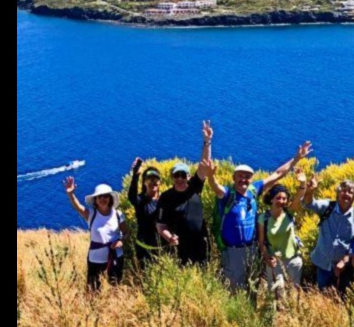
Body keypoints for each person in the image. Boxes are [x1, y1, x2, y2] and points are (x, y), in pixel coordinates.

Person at [207, 140, 313, 291]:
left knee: (253, 284)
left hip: (252, 249)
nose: (244, 179)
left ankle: (251, 311)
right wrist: (211, 176)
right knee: (234, 287)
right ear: (233, 177)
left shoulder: (253, 190)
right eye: (240, 176)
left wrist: (297, 158)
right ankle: (235, 313)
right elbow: (215, 186)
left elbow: (278, 174)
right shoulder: (227, 194)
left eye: (248, 176)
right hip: (233, 251)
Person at [294, 176, 354, 294]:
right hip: (323, 264)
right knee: (322, 294)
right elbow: (308, 204)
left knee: (341, 297)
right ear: (338, 194)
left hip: (344, 268)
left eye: (350, 192)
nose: (346, 194)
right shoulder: (328, 206)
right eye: (343, 190)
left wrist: (345, 259)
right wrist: (310, 191)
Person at [156, 122, 214, 266]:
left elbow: (204, 164)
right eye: (177, 175)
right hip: (180, 247)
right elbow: (161, 225)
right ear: (172, 177)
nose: (180, 179)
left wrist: (207, 142)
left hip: (201, 243)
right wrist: (170, 238)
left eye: (183, 175)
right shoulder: (166, 197)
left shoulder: (195, 187)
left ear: (188, 176)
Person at [63, 177, 127, 291]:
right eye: (100, 196)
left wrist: (120, 241)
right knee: (93, 289)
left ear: (110, 198)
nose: (103, 199)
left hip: (116, 257)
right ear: (95, 200)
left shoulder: (118, 214)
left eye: (106, 196)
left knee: (115, 287)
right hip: (95, 259)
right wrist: (71, 194)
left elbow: (126, 233)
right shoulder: (91, 214)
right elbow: (78, 207)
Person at [257, 183, 304, 300]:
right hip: (275, 262)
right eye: (278, 198)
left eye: (284, 198)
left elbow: (299, 198)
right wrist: (267, 258)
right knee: (278, 292)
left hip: (293, 260)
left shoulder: (289, 213)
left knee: (294, 292)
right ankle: (278, 316)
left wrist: (302, 184)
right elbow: (261, 241)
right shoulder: (264, 218)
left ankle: (292, 316)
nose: (282, 201)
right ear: (271, 199)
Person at [128, 158, 162, 267]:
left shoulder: (164, 200)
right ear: (144, 183)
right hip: (144, 248)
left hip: (161, 248)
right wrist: (136, 175)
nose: (153, 182)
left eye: (155, 179)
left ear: (160, 181)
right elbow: (131, 196)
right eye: (149, 179)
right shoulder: (140, 200)